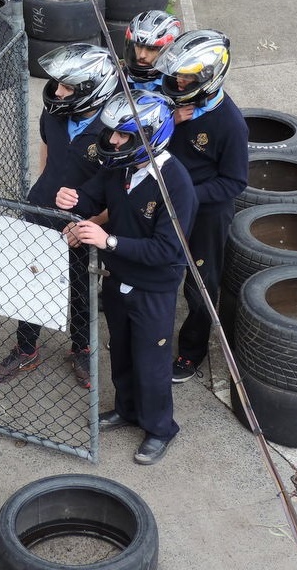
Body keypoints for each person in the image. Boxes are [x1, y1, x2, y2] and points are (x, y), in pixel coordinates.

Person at [55, 89, 197, 465]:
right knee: (121, 350)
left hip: (154, 288)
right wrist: (71, 202)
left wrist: (108, 240)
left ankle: (160, 428)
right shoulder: (119, 167)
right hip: (117, 278)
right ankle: (127, 409)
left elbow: (168, 250)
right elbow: (92, 196)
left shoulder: (176, 185)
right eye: (114, 133)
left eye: (124, 136)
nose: (114, 141)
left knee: (152, 362)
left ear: (150, 138)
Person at [0, 43, 118, 387]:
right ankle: (26, 347)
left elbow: (122, 192)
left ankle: (82, 348)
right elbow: (47, 153)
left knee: (81, 288)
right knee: (32, 279)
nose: (58, 92)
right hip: (41, 210)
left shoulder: (117, 132)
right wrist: (43, 195)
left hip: (86, 225)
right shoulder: (55, 111)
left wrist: (90, 225)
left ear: (93, 91)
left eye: (68, 87)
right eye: (59, 83)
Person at [153, 29, 249, 382]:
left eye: (187, 78)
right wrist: (168, 120)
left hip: (206, 213)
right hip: (163, 202)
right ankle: (151, 336)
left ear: (209, 78)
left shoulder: (230, 124)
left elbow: (235, 182)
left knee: (200, 285)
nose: (178, 82)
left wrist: (187, 195)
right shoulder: (170, 103)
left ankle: (192, 352)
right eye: (177, 75)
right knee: (157, 269)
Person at [123, 10, 182, 90]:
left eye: (151, 49)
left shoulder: (178, 86)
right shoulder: (118, 77)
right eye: (138, 46)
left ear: (169, 50)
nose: (142, 55)